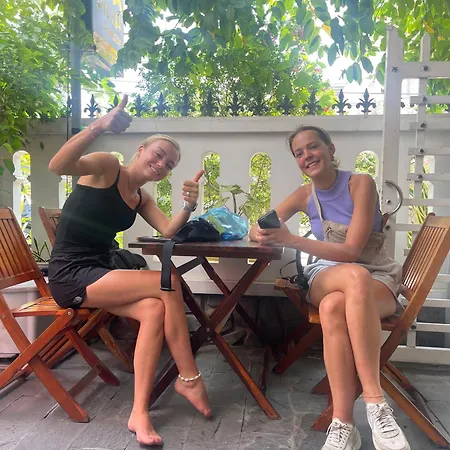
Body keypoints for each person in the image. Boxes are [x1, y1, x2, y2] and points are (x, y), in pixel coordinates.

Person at [48, 95, 211, 446]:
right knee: (167, 280)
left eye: (169, 164)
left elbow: (168, 230)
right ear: (140, 150)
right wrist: (99, 126)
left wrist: (189, 205)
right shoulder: (107, 166)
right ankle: (189, 376)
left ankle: (139, 412)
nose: (162, 164)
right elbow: (57, 166)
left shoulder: (139, 197)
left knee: (153, 308)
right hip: (70, 275)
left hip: (101, 272)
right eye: (158, 155)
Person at [250, 125, 410, 450]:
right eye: (299, 153)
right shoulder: (304, 195)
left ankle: (344, 423)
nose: (307, 156)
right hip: (329, 273)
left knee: (334, 305)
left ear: (330, 149)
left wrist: (291, 239)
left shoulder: (360, 184)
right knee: (353, 278)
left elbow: (351, 251)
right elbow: (258, 226)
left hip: (377, 275)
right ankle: (376, 403)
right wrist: (260, 232)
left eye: (313, 147)